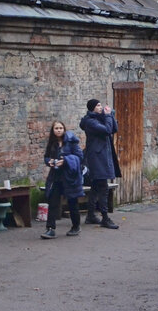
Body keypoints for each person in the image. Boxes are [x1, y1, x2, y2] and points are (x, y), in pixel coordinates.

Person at [79, 98, 121, 229]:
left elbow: (114, 128)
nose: (101, 107)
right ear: (92, 108)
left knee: (96, 187)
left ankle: (91, 215)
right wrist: (108, 116)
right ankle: (105, 218)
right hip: (97, 158)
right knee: (103, 187)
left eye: (101, 105)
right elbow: (106, 130)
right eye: (98, 105)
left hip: (103, 156)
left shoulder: (100, 119)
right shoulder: (90, 122)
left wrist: (111, 116)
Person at [41, 121, 83, 238]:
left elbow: (79, 157)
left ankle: (76, 226)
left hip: (70, 176)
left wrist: (65, 161)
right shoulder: (52, 143)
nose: (58, 130)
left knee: (72, 202)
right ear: (53, 130)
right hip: (56, 177)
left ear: (64, 129)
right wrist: (49, 161)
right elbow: (46, 156)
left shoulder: (71, 142)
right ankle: (50, 228)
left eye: (60, 128)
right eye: (56, 128)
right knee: (53, 201)